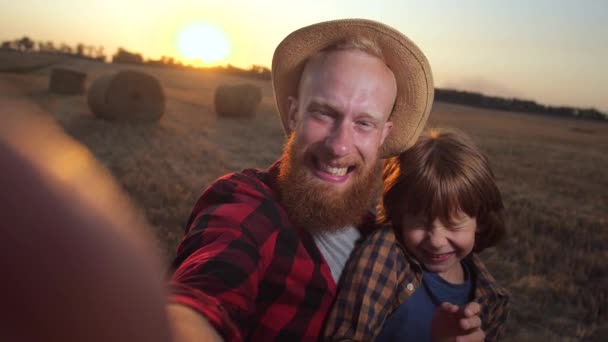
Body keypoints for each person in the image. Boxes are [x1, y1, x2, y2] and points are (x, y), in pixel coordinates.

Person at [166, 19, 482, 342]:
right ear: (294, 115)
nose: (338, 146)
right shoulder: (248, 207)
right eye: (324, 113)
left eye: (364, 123)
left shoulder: (385, 240)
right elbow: (207, 293)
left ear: (383, 136)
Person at [324, 128, 510, 341]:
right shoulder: (386, 256)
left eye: (453, 225)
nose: (437, 242)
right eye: (421, 224)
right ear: (400, 215)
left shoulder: (492, 297)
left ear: (481, 221)